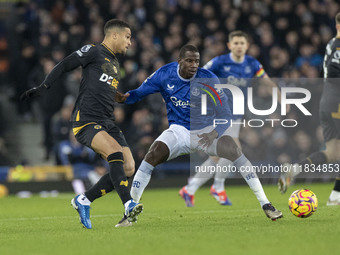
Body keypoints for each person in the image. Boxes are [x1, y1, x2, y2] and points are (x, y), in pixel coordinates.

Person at [115, 44, 282, 226]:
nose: (194, 65)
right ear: (179, 61)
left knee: (234, 150)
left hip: (206, 131)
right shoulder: (164, 74)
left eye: (196, 61)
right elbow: (138, 94)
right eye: (189, 61)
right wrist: (124, 98)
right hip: (179, 130)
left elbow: (225, 114)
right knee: (152, 154)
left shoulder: (208, 78)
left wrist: (214, 133)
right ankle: (129, 212)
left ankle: (266, 204)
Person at [20, 19, 143, 229]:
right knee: (115, 152)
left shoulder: (114, 63)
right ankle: (128, 204)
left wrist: (124, 97)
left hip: (108, 121)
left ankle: (84, 200)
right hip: (86, 120)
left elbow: (106, 91)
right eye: (128, 36)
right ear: (114, 35)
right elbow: (65, 63)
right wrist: (44, 86)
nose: (130, 42)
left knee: (129, 167)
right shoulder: (94, 51)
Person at [180, 31, 281, 206]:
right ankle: (217, 187)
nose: (239, 46)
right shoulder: (220, 62)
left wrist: (279, 95)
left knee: (219, 156)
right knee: (234, 149)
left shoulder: (252, 63)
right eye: (236, 43)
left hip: (236, 114)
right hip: (217, 112)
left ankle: (191, 189)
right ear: (229, 45)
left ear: (247, 45)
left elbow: (266, 80)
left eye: (242, 43)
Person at [278, 13, 340, 206]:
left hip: (327, 101)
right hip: (336, 101)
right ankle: (336, 196)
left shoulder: (331, 45)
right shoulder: (338, 46)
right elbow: (334, 70)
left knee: (331, 153)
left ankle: (295, 171)